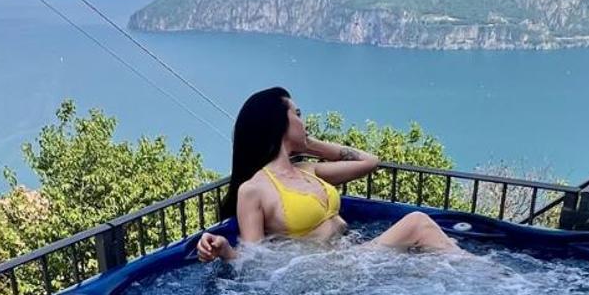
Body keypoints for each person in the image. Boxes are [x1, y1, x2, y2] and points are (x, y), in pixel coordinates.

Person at [196, 87, 457, 260]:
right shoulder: (254, 189)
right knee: (418, 224)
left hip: (351, 255)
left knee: (433, 244)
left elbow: (369, 162)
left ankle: (478, 278)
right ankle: (482, 280)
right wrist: (225, 249)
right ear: (279, 123)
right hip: (323, 269)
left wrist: (307, 143)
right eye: (298, 115)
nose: (304, 121)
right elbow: (254, 260)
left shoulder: (309, 170)